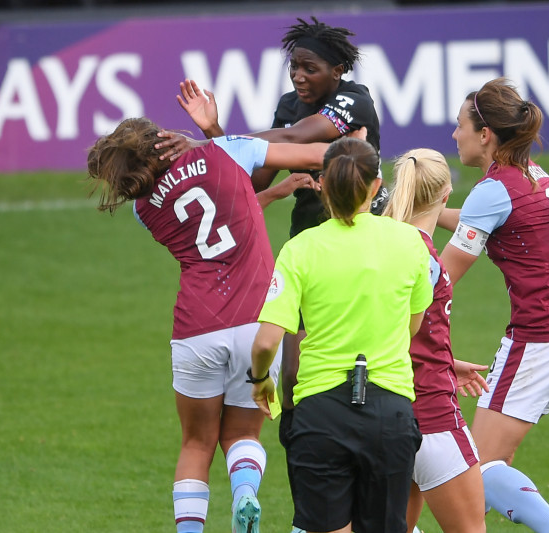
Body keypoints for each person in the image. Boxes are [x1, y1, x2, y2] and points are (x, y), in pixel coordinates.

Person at [158, 18, 386, 524]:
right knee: (294, 381)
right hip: (309, 248)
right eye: (294, 67)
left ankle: (371, 487)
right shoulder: (288, 105)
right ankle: (312, 501)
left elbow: (292, 137)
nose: (299, 77)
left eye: (310, 68)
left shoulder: (355, 100)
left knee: (370, 362)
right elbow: (246, 175)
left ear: (339, 70)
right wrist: (214, 136)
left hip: (366, 243)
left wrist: (206, 145)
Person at [86, 117, 354, 533]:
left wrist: (271, 193)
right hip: (257, 323)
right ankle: (245, 494)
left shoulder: (144, 209)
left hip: (196, 327)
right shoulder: (225, 150)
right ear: (164, 140)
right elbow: (322, 156)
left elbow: (213, 221)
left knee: (196, 444)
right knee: (243, 433)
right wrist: (354, 143)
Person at [438, 78, 549, 533]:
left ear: (484, 133)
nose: (455, 135)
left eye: (459, 125)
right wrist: (421, 214)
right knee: (497, 460)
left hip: (540, 344)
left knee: (472, 468)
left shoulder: (494, 190)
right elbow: (478, 219)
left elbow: (442, 280)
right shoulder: (532, 175)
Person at [248, 137, 430, 533]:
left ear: (323, 186)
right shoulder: (410, 242)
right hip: (390, 409)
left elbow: (265, 342)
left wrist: (261, 380)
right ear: (375, 187)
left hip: (321, 413)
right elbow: (413, 326)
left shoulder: (300, 248)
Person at [384, 149, 489, 533]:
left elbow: (385, 329)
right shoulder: (424, 255)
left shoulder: (378, 246)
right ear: (446, 194)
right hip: (432, 414)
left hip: (384, 415)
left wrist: (444, 358)